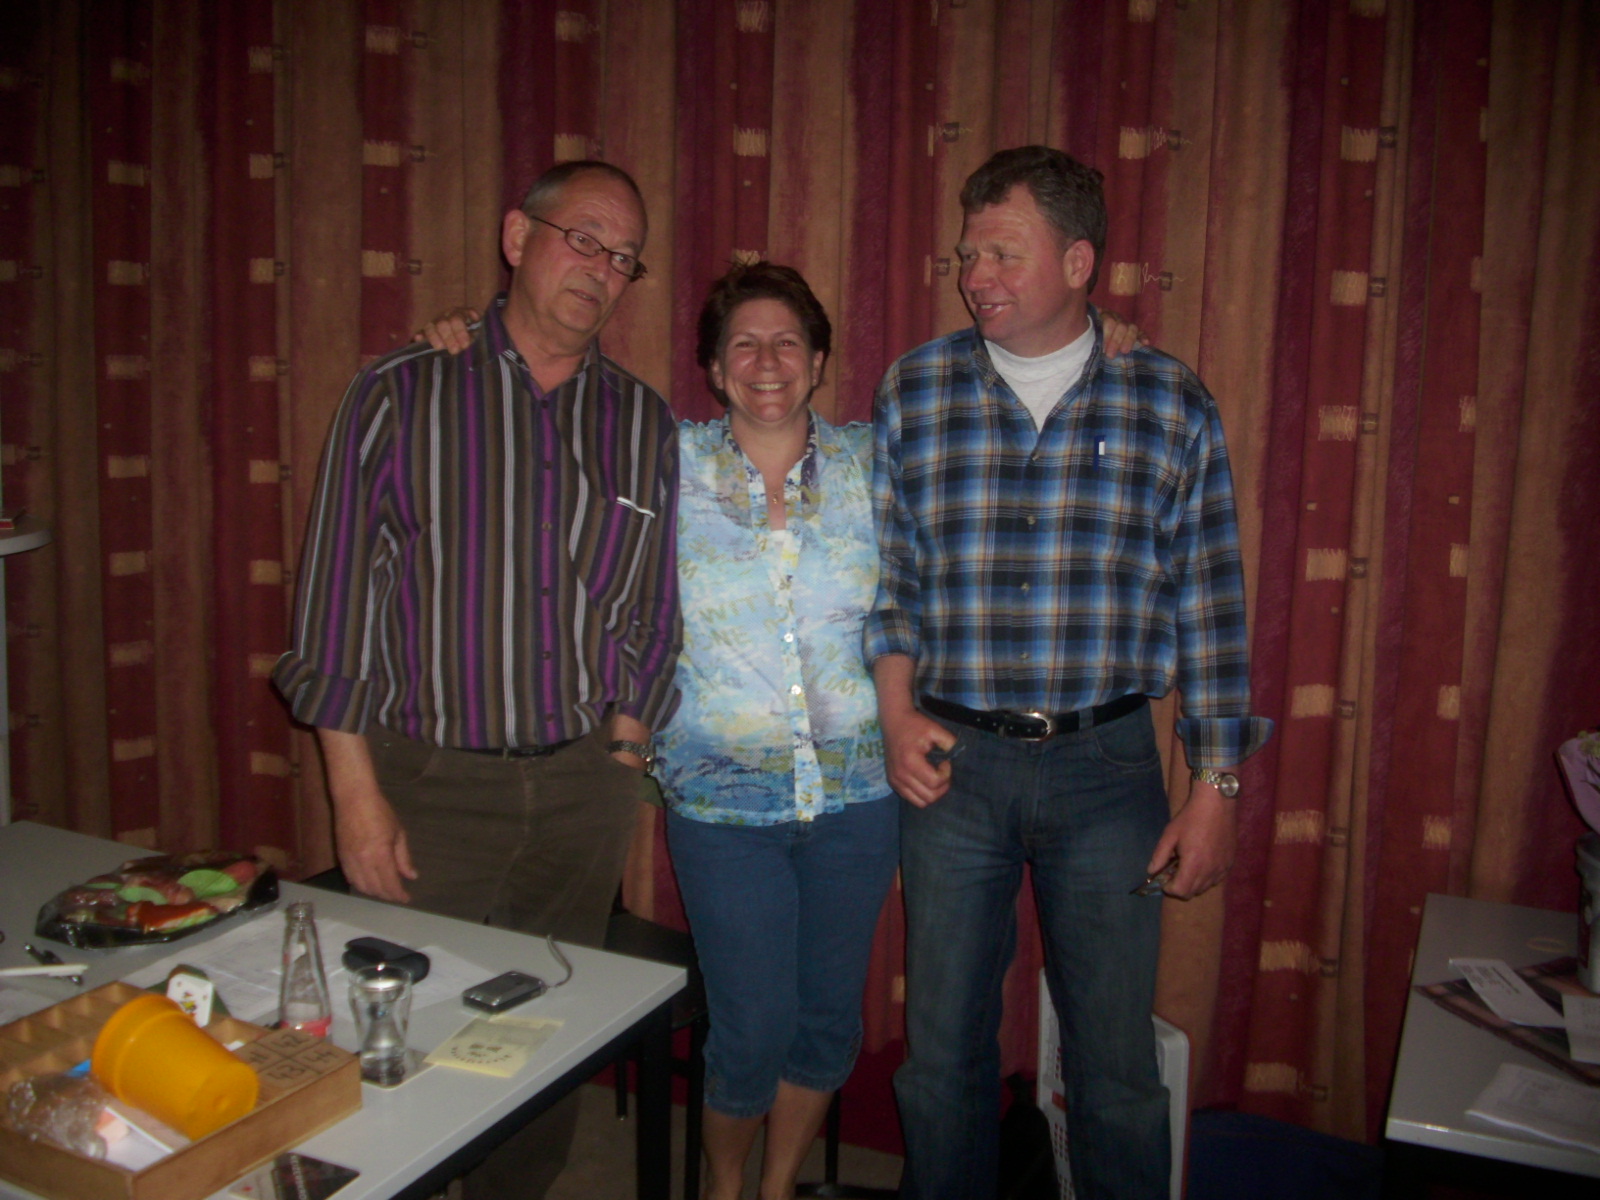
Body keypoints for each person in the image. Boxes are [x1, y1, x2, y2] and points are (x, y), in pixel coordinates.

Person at [866, 145, 1274, 1200]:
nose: (976, 276)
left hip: (1107, 769)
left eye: (1004, 253)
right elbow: (893, 580)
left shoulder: (1168, 400)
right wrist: (896, 713)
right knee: (940, 1054)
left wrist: (1216, 788)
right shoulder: (915, 389)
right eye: (968, 254)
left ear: (1080, 261)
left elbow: (1211, 606)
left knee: (1114, 1065)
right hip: (952, 767)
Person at [274, 159, 680, 1198]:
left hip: (582, 789)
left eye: (623, 257)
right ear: (516, 236)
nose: (601, 268)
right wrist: (354, 796)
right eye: (582, 238)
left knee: (539, 1035)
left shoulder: (641, 422)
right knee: (396, 1035)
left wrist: (624, 752)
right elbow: (334, 607)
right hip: (429, 786)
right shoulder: (402, 392)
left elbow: (651, 605)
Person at [663, 263, 900, 1200]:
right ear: (715, 369)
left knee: (827, 1022)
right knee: (752, 1028)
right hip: (722, 807)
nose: (767, 362)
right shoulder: (664, 464)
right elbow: (541, 427)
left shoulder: (877, 462)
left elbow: (998, 432)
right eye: (744, 345)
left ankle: (778, 1188)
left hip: (859, 800)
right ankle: (726, 1186)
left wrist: (1099, 339)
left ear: (820, 361)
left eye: (788, 342)